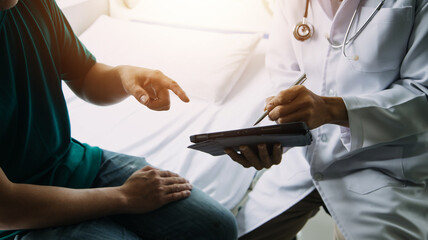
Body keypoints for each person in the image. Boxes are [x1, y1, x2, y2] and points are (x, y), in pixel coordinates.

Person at [0, 0, 237, 239]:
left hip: (73, 165)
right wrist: (125, 197)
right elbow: (6, 209)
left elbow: (85, 76)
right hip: (18, 215)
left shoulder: (34, 4)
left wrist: (123, 77)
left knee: (218, 227)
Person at [226, 0, 428, 239]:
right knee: (233, 232)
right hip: (303, 162)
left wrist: (332, 110)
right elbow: (284, 77)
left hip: (381, 167)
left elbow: (421, 92)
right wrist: (276, 137)